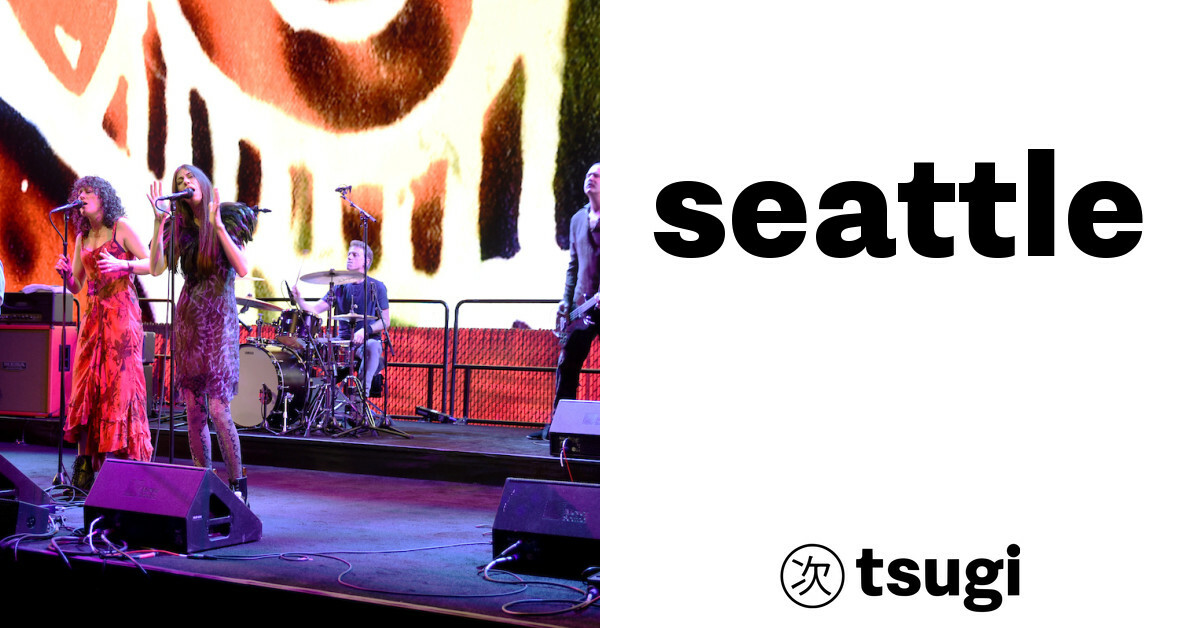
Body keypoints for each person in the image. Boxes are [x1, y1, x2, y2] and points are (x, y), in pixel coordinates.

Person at [147, 165, 258, 503]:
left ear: (203, 182)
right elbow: (155, 268)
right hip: (189, 321)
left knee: (219, 408)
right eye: (179, 181)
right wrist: (158, 221)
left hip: (219, 322)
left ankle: (238, 487)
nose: (185, 183)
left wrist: (218, 226)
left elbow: (242, 268)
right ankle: (203, 484)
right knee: (194, 410)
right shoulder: (177, 227)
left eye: (190, 178)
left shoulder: (227, 218)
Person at [53, 176, 154, 489]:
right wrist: (67, 276)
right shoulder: (82, 236)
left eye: (89, 191)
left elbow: (152, 264)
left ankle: (120, 469)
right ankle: (85, 469)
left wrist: (123, 266)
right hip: (93, 318)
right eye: (79, 192)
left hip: (121, 317)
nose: (82, 196)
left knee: (117, 390)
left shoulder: (120, 227)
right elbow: (77, 285)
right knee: (88, 388)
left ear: (103, 198)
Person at [531, 162, 600, 440]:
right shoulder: (577, 220)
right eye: (588, 174)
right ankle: (560, 428)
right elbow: (573, 266)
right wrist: (566, 302)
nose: (591, 178)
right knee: (567, 363)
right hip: (583, 308)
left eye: (597, 175)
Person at [290, 241, 390, 420]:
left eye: (355, 255)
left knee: (373, 346)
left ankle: (359, 401)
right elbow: (315, 310)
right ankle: (307, 403)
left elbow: (385, 321)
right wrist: (299, 300)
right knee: (310, 344)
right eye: (348, 254)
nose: (349, 257)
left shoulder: (377, 287)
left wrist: (365, 331)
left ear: (366, 261)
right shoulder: (339, 287)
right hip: (341, 342)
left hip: (366, 342)